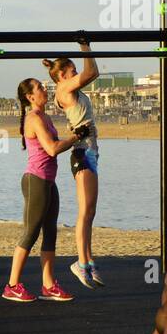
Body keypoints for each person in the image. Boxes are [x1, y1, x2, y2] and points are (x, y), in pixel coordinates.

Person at [3, 77, 87, 303]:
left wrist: (73, 136)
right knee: (30, 233)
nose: (44, 89)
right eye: (39, 88)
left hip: (49, 181)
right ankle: (12, 285)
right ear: (30, 97)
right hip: (36, 181)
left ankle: (48, 285)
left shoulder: (45, 117)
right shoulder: (33, 119)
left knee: (51, 232)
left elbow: (55, 143)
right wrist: (75, 137)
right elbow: (51, 149)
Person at [43, 39, 102, 288]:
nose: (77, 73)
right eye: (72, 71)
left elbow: (88, 74)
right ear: (62, 76)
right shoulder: (64, 89)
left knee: (90, 212)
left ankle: (88, 262)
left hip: (90, 152)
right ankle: (80, 262)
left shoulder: (68, 88)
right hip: (81, 152)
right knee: (84, 211)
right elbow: (93, 72)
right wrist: (85, 46)